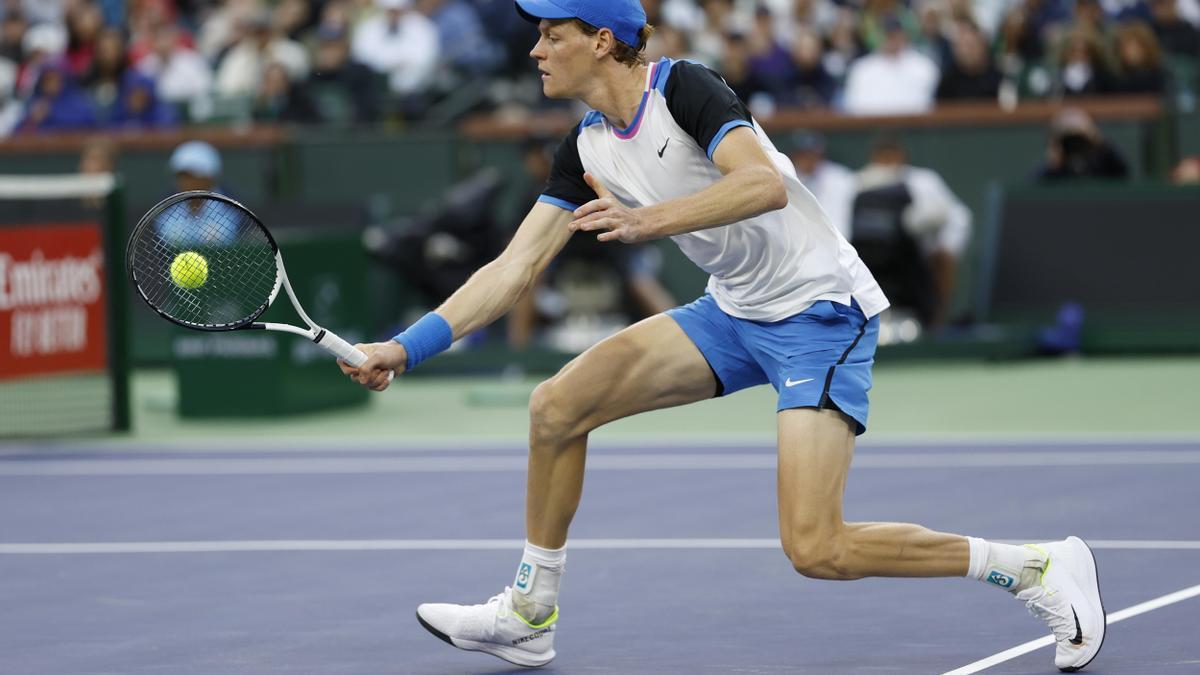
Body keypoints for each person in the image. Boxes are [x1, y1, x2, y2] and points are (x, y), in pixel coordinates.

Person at [339, 0, 1106, 670]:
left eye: (551, 34)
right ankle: (530, 611)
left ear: (602, 41)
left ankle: (1034, 567)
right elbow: (514, 268)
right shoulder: (585, 147)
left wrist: (647, 220)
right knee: (556, 407)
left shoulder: (686, 88)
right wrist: (404, 348)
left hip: (818, 312)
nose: (535, 50)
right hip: (734, 311)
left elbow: (762, 183)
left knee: (817, 547)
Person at [851, 135, 971, 329]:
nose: (889, 162)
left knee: (940, 260)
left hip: (917, 256)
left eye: (893, 156)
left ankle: (934, 326)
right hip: (865, 258)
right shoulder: (857, 182)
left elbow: (957, 217)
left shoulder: (924, 181)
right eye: (884, 157)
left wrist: (944, 248)